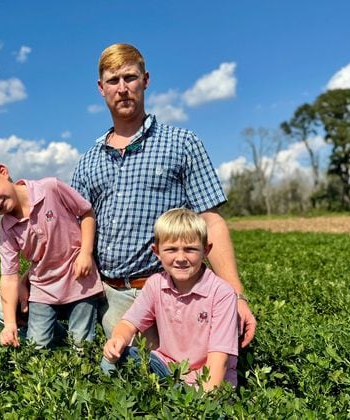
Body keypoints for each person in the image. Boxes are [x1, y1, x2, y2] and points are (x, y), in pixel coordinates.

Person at [71, 43, 256, 347]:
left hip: (170, 287)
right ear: (101, 88)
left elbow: (211, 220)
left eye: (130, 78)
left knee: (185, 370)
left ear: (145, 80)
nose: (122, 88)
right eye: (113, 81)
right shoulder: (88, 161)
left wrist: (235, 294)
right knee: (3, 306)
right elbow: (72, 235)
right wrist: (28, 281)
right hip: (109, 292)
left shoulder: (182, 143)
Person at [0, 156, 103, 349]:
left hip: (79, 281)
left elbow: (86, 212)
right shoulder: (7, 230)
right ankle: (58, 348)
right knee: (37, 347)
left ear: (2, 171)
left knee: (81, 347)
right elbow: (9, 277)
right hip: (43, 289)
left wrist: (86, 252)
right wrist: (10, 324)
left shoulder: (51, 188)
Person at [101, 208, 238, 390]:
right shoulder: (155, 284)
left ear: (206, 250)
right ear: (157, 252)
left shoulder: (222, 293)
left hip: (206, 382)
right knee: (121, 357)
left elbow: (218, 360)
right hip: (166, 369)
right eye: (171, 249)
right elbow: (128, 323)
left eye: (190, 249)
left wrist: (203, 405)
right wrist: (117, 339)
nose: (180, 258)